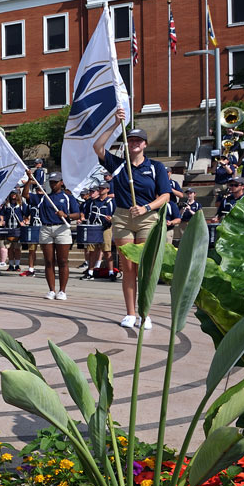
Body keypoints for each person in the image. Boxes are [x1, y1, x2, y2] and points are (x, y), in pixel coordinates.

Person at [94, 113, 172, 329]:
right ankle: (130, 313)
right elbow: (98, 147)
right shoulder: (118, 164)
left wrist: (146, 207)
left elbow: (165, 195)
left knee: (144, 268)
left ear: (145, 144)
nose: (134, 143)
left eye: (138, 140)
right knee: (128, 267)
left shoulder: (156, 167)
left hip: (147, 218)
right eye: (131, 140)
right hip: (122, 217)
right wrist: (115, 124)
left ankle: (145, 312)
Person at [25, 172, 82, 300]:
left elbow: (78, 214)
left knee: (62, 261)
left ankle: (62, 291)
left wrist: (66, 215)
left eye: (55, 182)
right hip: (46, 228)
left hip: (62, 228)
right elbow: (26, 195)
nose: (53, 184)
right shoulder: (44, 197)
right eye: (51, 182)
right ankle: (51, 290)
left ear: (61, 182)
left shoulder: (68, 197)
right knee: (49, 261)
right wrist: (29, 180)